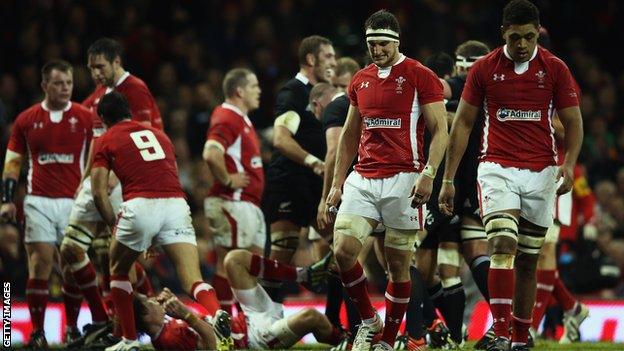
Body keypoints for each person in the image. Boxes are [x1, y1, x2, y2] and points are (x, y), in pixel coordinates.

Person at [438, 1, 584, 350]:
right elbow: (462, 124)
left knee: (529, 260)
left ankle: (520, 336)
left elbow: (575, 121)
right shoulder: (485, 68)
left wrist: (569, 164)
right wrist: (447, 178)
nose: (522, 44)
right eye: (515, 37)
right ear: (503, 33)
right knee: (503, 244)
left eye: (529, 37)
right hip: (496, 167)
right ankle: (500, 333)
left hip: (542, 171)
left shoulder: (555, 68)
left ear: (538, 33)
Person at [326, 9, 449, 351]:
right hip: (363, 177)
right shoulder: (360, 79)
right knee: (343, 250)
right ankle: (369, 321)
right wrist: (336, 184)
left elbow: (441, 130)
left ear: (396, 41)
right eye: (371, 44)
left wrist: (429, 174)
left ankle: (389, 340)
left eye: (382, 43)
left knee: (398, 266)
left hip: (404, 179)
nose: (376, 50)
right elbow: (350, 134)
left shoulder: (419, 75)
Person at [90, 91, 231, 351]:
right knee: (193, 279)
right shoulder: (160, 135)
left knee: (118, 269)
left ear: (103, 119)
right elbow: (166, 174)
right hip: (176, 203)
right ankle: (216, 313)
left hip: (140, 204)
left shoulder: (106, 138)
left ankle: (129, 339)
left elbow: (98, 193)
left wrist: (115, 227)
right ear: (129, 113)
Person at [60, 37, 161, 346]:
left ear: (117, 62)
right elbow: (97, 141)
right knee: (76, 251)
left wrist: (118, 175)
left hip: (124, 182)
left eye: (100, 67)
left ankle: (138, 323)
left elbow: (144, 136)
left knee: (118, 262)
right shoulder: (101, 97)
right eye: (91, 68)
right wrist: (87, 177)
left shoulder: (135, 90)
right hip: (101, 181)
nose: (95, 73)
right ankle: (107, 319)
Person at [0, 60, 93, 349]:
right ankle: (38, 332)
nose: (65, 88)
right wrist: (6, 200)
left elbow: (98, 158)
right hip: (38, 201)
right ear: (45, 86)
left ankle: (73, 328)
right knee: (39, 263)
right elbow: (13, 162)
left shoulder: (85, 117)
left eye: (69, 83)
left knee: (70, 268)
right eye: (58, 83)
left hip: (73, 203)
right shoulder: (26, 120)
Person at [420, 41, 493, 348]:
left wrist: (404, 80)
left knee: (420, 259)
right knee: (462, 257)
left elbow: (440, 88)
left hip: (456, 183)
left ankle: (429, 327)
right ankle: (498, 326)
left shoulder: (468, 81)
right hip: (473, 181)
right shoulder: (492, 87)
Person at [529, 28, 589, 345]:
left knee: (544, 251)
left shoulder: (559, 75)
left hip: (555, 172)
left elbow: (571, 126)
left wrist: (545, 122)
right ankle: (572, 307)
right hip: (530, 171)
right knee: (534, 251)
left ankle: (529, 326)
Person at [263, 35, 336, 271]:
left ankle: (340, 307)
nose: (333, 63)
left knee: (345, 249)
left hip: (316, 185)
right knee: (281, 257)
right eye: (328, 56)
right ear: (311, 59)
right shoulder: (293, 92)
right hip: (289, 182)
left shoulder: (325, 94)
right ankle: (262, 307)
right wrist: (314, 162)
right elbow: (281, 139)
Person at [203, 68, 264, 314]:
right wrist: (228, 180)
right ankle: (226, 324)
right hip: (232, 201)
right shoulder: (228, 116)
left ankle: (246, 323)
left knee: (251, 265)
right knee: (229, 264)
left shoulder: (241, 118)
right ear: (239, 90)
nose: (259, 91)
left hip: (246, 203)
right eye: (254, 86)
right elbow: (211, 152)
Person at [223, 249, 345, 349]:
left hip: (248, 315)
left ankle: (304, 275)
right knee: (311, 316)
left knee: (234, 260)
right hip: (253, 339)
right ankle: (346, 342)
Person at [132, 288, 226, 350]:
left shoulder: (165, 328)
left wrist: (176, 303)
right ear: (146, 316)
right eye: (148, 302)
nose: (154, 299)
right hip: (233, 336)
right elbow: (216, 345)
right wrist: (187, 315)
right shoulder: (171, 339)